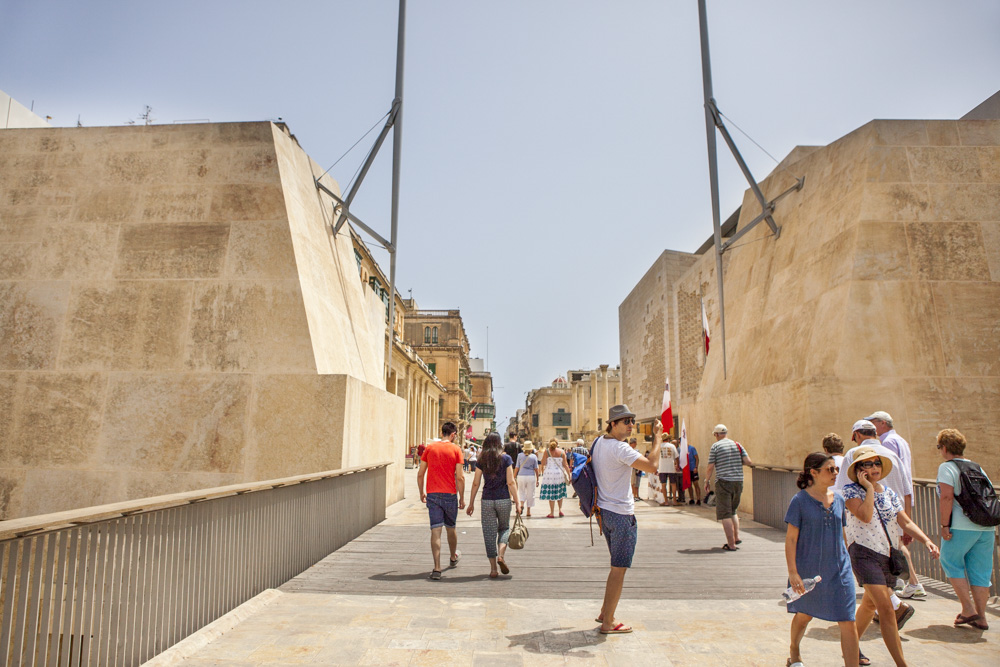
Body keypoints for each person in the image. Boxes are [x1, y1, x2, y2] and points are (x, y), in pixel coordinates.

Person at [843, 446, 939, 666]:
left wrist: (927, 540)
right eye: (868, 464)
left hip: (887, 555)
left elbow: (904, 521)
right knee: (886, 608)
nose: (874, 467)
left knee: (868, 606)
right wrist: (867, 488)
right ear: (859, 469)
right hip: (864, 554)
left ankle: (851, 646)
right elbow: (865, 516)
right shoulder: (850, 492)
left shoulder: (888, 493)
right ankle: (901, 664)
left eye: (877, 463)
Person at [592, 405, 662, 635]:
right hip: (621, 515)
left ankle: (605, 611)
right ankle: (609, 622)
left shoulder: (599, 443)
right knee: (618, 569)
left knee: (616, 565)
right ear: (613, 424)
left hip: (605, 513)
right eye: (625, 421)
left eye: (632, 420)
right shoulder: (621, 449)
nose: (631, 425)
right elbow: (652, 466)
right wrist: (658, 438)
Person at [784, 453, 858, 667]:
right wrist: (793, 572)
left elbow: (841, 534)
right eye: (830, 469)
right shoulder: (799, 501)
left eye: (836, 469)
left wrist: (850, 563)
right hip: (809, 569)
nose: (835, 473)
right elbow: (790, 539)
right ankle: (794, 651)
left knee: (847, 619)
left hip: (840, 569)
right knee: (804, 614)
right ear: (813, 473)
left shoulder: (840, 499)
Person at [833, 420, 912, 618]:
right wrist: (907, 525)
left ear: (857, 435)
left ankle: (893, 606)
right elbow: (907, 489)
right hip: (892, 523)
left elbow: (842, 490)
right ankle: (890, 605)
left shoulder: (854, 456)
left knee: (872, 575)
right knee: (875, 584)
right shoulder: (891, 454)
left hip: (865, 530)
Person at [936, 428, 993, 631]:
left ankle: (968, 609)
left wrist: (944, 525)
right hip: (986, 527)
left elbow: (947, 497)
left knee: (950, 560)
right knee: (981, 571)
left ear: (944, 448)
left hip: (961, 525)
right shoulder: (978, 467)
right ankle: (982, 617)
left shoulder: (947, 468)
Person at [866, 411, 924, 600]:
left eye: (874, 424)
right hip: (900, 497)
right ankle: (903, 581)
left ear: (883, 423)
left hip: (889, 501)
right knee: (895, 543)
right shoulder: (901, 441)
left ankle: (912, 582)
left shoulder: (887, 443)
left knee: (895, 544)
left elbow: (886, 475)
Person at [466, 433, 521, 579]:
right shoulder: (506, 458)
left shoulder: (481, 459)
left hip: (487, 501)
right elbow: (511, 482)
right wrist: (518, 502)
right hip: (503, 499)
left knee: (489, 534)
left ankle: (493, 569)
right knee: (504, 528)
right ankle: (501, 555)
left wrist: (471, 503)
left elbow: (476, 482)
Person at [417, 422, 466, 580]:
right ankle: (452, 557)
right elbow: (460, 477)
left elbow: (420, 473)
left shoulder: (430, 448)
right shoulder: (456, 449)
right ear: (452, 435)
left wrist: (421, 492)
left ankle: (437, 568)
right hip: (450, 494)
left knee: (435, 530)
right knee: (451, 528)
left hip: (432, 494)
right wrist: (462, 498)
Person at [705, 424, 753, 551]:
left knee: (725, 513)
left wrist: (706, 481)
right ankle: (737, 537)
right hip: (738, 481)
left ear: (716, 435)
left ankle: (731, 544)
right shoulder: (737, 445)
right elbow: (748, 462)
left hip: (724, 482)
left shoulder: (716, 446)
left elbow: (710, 466)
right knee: (733, 510)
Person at [539, 438, 571, 517]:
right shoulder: (562, 452)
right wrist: (569, 476)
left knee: (551, 493)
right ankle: (560, 510)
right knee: (559, 491)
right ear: (557, 444)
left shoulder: (547, 451)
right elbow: (566, 465)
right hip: (559, 474)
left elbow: (543, 463)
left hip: (549, 474)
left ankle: (552, 513)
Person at [513, 441, 540, 517]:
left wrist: (514, 477)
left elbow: (517, 467)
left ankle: (521, 504)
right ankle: (528, 511)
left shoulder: (519, 455)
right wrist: (537, 479)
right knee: (530, 493)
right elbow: (536, 469)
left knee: (521, 491)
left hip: (521, 476)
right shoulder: (534, 457)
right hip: (531, 476)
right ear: (531, 449)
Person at [657, 436, 679, 506]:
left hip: (662, 468)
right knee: (673, 484)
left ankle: (666, 501)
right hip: (671, 467)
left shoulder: (659, 446)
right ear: (668, 439)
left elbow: (656, 458)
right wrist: (677, 465)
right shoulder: (672, 446)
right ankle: (674, 501)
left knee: (663, 484)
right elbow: (676, 457)